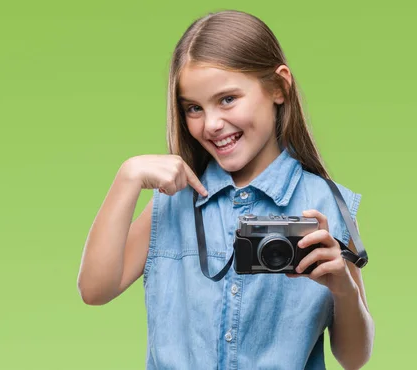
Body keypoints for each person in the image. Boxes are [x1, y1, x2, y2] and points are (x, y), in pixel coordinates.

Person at [77, 9, 374, 370]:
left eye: (228, 99)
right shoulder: (173, 202)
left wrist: (343, 287)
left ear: (279, 87)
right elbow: (94, 290)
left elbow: (354, 359)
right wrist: (128, 176)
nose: (212, 124)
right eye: (194, 108)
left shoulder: (327, 205)